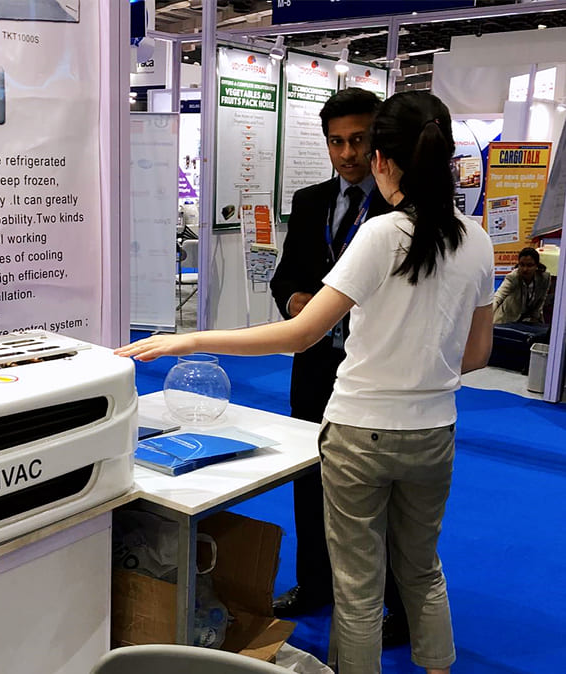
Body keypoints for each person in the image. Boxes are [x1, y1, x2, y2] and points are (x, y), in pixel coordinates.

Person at [116, 90, 494, 674]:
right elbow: (476, 354)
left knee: (357, 585)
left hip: (361, 432)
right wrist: (423, 362)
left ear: (382, 159)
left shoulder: (382, 234)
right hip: (434, 431)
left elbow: (300, 334)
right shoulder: (477, 239)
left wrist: (189, 340)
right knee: (422, 569)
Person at [268, 86, 407, 646]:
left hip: (376, 371)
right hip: (314, 368)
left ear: (379, 141)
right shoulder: (310, 201)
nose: (347, 153)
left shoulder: (402, 210)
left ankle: (395, 604)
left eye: (358, 140)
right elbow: (284, 275)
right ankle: (314, 583)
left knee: (379, 494)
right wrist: (294, 301)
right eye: (336, 142)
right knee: (310, 478)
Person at [493, 247, 550, 324]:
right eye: (522, 265)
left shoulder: (544, 278)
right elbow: (498, 297)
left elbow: (542, 299)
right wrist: (486, 315)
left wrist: (535, 317)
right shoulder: (513, 277)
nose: (525, 269)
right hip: (507, 321)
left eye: (529, 265)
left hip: (531, 321)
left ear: (537, 265)